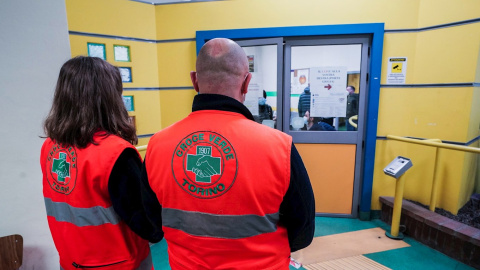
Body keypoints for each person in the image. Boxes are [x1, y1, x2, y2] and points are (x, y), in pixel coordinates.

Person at [141, 38, 315, 269]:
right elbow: (303, 231)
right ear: (246, 83)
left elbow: (151, 223)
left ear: (194, 80)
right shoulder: (279, 146)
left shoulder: (158, 145)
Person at [40, 56, 155, 270]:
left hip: (71, 261)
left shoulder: (50, 147)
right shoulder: (115, 153)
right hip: (119, 264)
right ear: (110, 98)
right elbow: (149, 227)